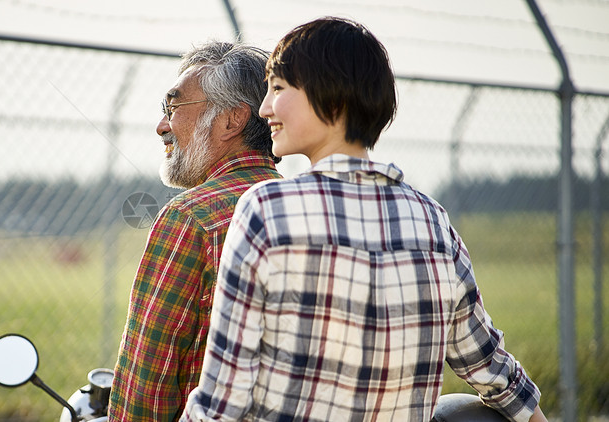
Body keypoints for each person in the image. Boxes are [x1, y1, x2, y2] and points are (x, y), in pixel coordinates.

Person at [181, 18, 548, 422]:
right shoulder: (433, 223)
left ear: (332, 100)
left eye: (279, 89)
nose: (265, 107)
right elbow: (490, 368)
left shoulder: (264, 211)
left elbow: (221, 402)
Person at [108, 41, 282, 421]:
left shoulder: (191, 218)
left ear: (231, 120)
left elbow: (147, 384)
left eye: (173, 107)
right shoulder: (304, 208)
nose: (161, 126)